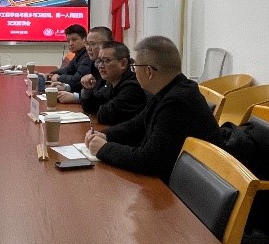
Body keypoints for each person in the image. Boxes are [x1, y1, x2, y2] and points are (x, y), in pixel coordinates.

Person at [85, 36, 221, 183]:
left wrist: (104, 149)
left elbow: (148, 161)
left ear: (149, 72)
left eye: (134, 67)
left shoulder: (177, 102)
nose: (133, 72)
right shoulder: (168, 89)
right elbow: (137, 124)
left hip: (191, 184)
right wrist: (105, 135)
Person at [79, 41, 148, 125]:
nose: (100, 66)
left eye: (106, 60)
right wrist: (87, 90)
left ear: (123, 63)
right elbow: (92, 106)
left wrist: (100, 108)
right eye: (99, 61)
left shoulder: (133, 88)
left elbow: (106, 115)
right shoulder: (112, 81)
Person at [56, 26, 113, 103]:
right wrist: (67, 87)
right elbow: (87, 84)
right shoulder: (94, 63)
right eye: (87, 44)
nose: (88, 48)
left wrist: (76, 97)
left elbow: (102, 97)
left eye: (92, 44)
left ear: (108, 44)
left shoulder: (112, 66)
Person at [48, 24, 90, 92]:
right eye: (68, 41)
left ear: (84, 40)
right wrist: (50, 74)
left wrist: (59, 78)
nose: (70, 44)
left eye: (74, 40)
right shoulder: (79, 54)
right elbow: (67, 70)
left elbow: (76, 79)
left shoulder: (88, 56)